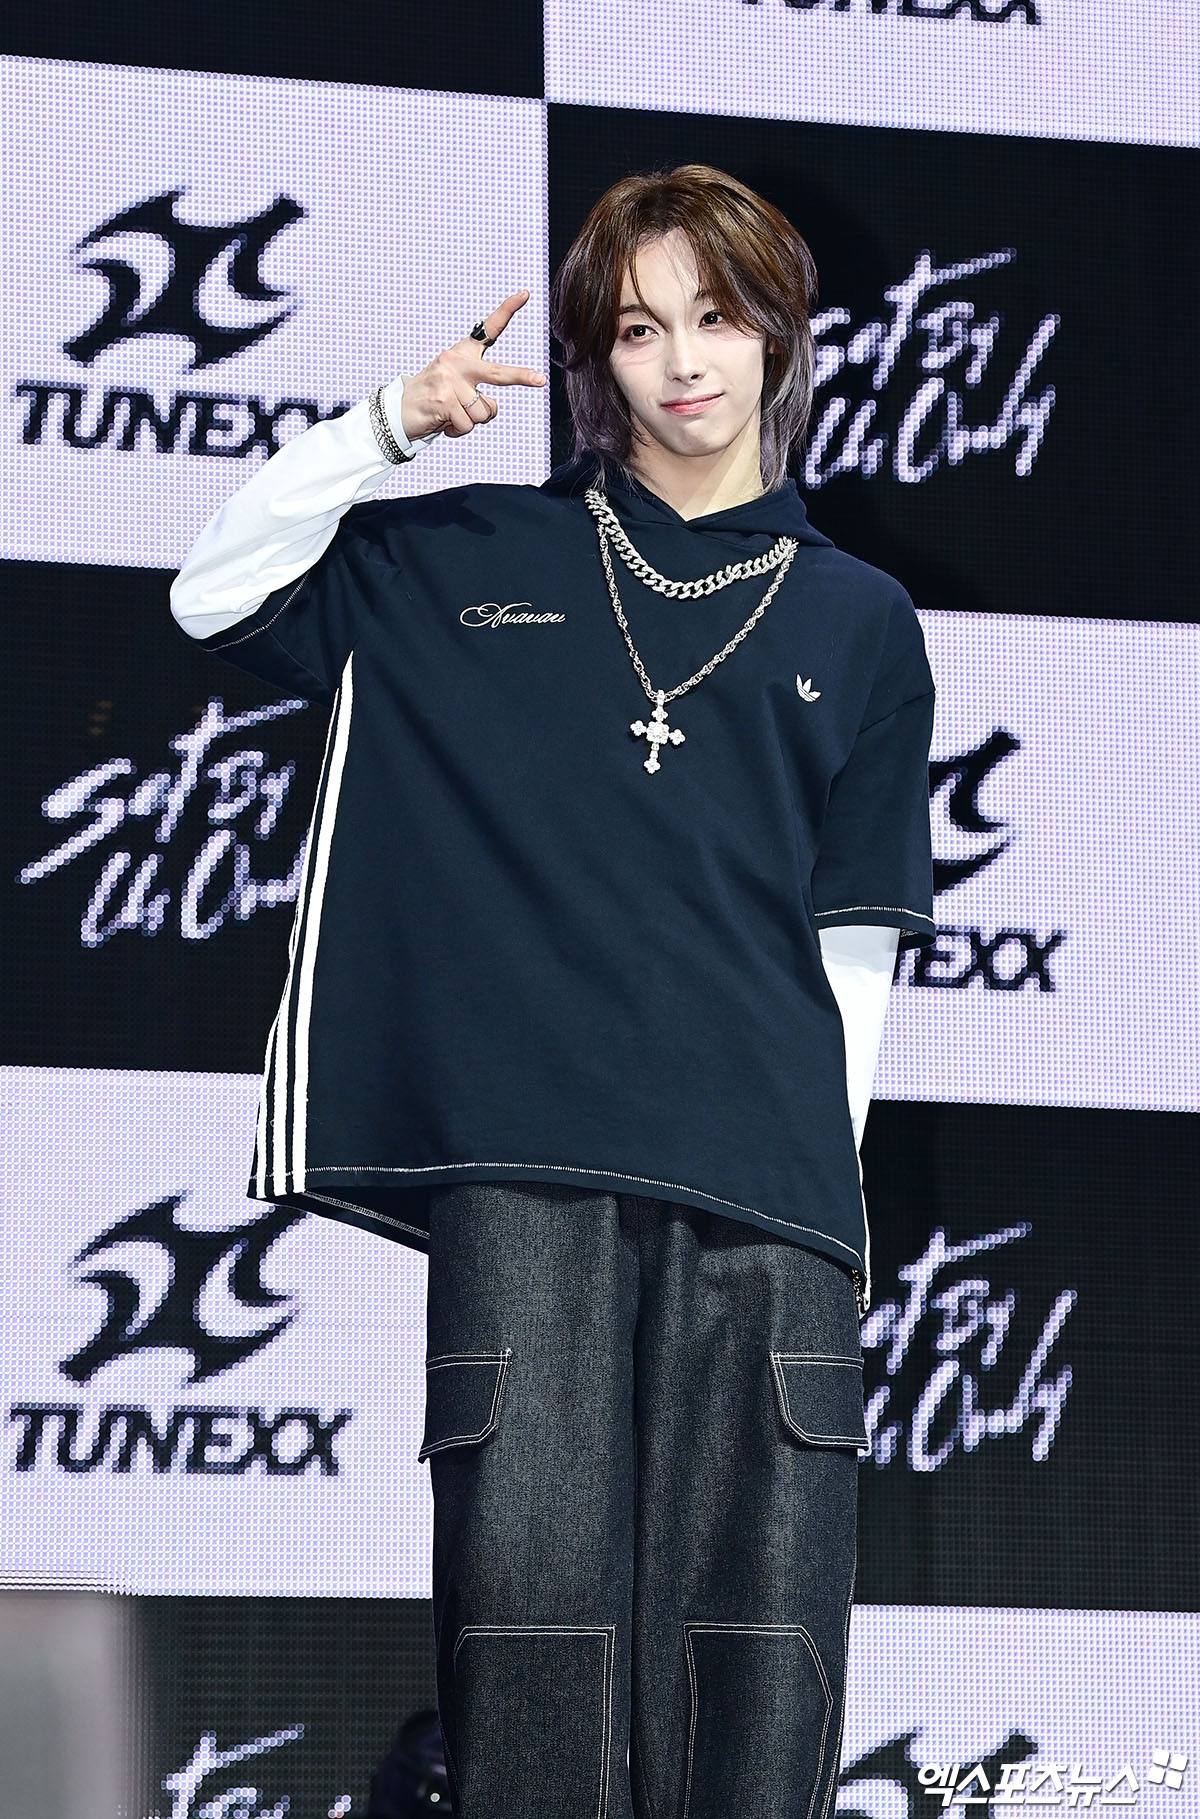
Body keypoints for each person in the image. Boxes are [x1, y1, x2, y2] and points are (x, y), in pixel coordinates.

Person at [170, 164, 935, 1819]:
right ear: (594, 356)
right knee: (529, 1646)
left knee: (761, 1661)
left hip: (768, 1201)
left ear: (782, 333)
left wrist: (832, 1200)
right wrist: (388, 423)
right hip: (526, 1174)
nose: (685, 363)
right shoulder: (474, 553)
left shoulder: (862, 619)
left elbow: (854, 944)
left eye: (718, 318)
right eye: (640, 328)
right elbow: (213, 594)